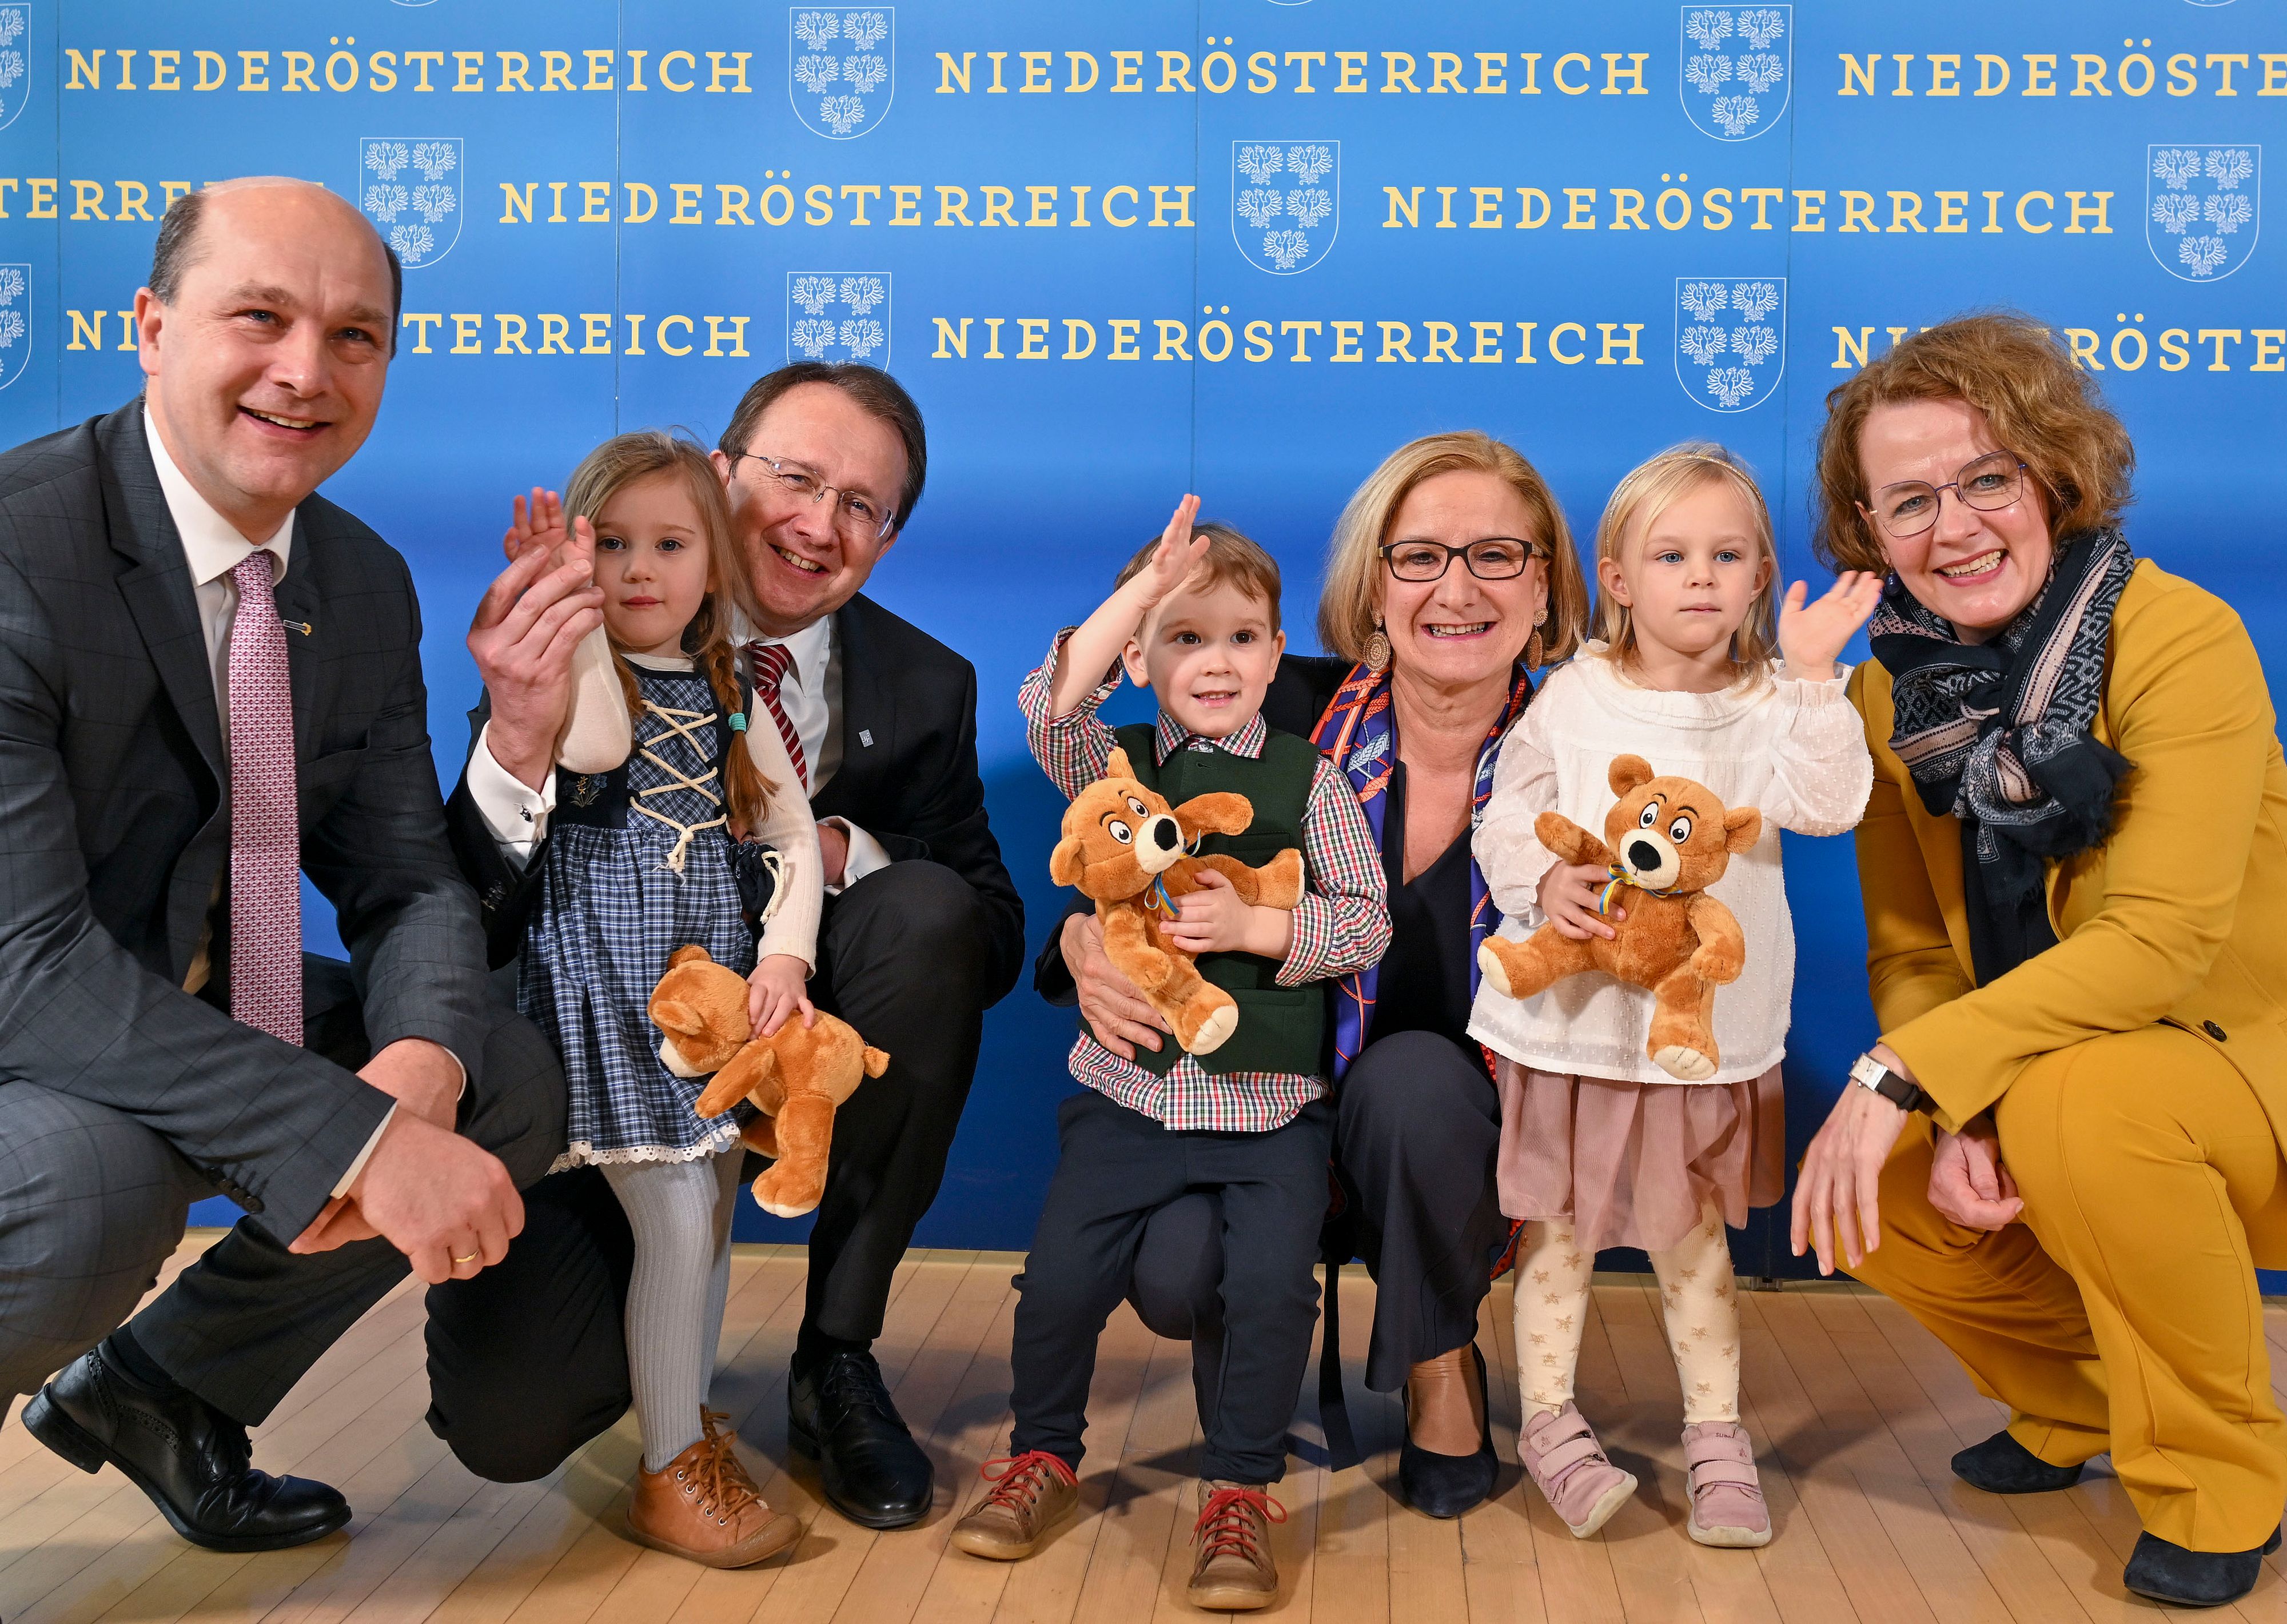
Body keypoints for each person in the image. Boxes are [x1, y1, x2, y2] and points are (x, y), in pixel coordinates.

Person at [0, 180, 562, 1551]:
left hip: (182, 986)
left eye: (354, 335)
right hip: (28, 1013)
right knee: (91, 1178)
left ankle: (161, 1389)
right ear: (151, 326)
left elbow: (405, 876)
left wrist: (419, 1066)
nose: (307, 371)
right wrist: (363, 1141)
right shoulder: (16, 545)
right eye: (260, 316)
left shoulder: (357, 577)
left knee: (497, 1068)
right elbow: (27, 966)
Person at [436, 363, 1025, 1533]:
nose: (819, 524)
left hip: (790, 1025)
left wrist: (834, 859)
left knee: (923, 910)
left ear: (888, 539)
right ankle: (664, 1399)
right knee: (513, 1419)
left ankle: (836, 1354)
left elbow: (989, 931)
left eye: (862, 505)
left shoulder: (924, 681)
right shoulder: (580, 634)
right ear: (718, 477)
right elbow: (473, 899)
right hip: (605, 1024)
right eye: (794, 478)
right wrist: (521, 721)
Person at [1787, 313, 2287, 1608]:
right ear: (1869, 528)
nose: (1951, 527)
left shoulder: (2178, 636)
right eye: (1908, 502)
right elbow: (1909, 946)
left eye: (1985, 479)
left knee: (2078, 1100)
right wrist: (1950, 1106)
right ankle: (2082, 1401)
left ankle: (2219, 1476)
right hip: (2055, 1070)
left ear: (2055, 476)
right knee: (1870, 1174)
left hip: (2240, 1075)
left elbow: (2158, 943)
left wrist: (1916, 1069)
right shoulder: (1887, 698)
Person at [1039, 431, 1593, 1519]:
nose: (1456, 590)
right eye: (1420, 556)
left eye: (1495, 555)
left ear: (1545, 589)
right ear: (1374, 587)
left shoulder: (1586, 750)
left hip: (1462, 1133)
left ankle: (1439, 1355)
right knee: (1176, 1268)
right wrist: (1078, 941)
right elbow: (1119, 828)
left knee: (1413, 1082)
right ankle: (1243, 1394)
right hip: (1257, 1103)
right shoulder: (1271, 704)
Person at [956, 505, 1389, 1611]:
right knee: (1059, 1283)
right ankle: (1042, 1453)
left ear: (1276, 654)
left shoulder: (1308, 779)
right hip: (1128, 1099)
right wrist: (1140, 596)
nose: (1217, 662)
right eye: (1185, 639)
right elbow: (1049, 704)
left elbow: (1366, 919)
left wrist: (1261, 929)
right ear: (1142, 659)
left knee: (1270, 1292)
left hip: (1271, 1109)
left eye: (1243, 638)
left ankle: (1239, 1488)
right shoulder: (1116, 766)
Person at [1470, 444, 1876, 1546]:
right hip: (1573, 1032)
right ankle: (1548, 1418)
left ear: (1760, 578)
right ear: (1617, 577)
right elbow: (1508, 814)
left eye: (1727, 555)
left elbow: (1829, 805)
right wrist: (1541, 880)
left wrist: (1815, 675)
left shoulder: (1776, 700)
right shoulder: (1574, 695)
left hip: (1696, 1038)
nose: (1701, 575)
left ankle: (1715, 1431)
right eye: (1671, 555)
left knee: (1693, 1244)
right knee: (1557, 1236)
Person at [473, 433, 824, 1567]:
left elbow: (791, 840)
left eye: (671, 545)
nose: (638, 569)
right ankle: (669, 1465)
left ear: (714, 560)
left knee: (711, 1206)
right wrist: (566, 613)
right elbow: (597, 744)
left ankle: (688, 1423)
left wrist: (786, 957)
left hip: (711, 994)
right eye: (610, 545)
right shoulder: (578, 681)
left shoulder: (734, 691)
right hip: (609, 991)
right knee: (672, 1218)